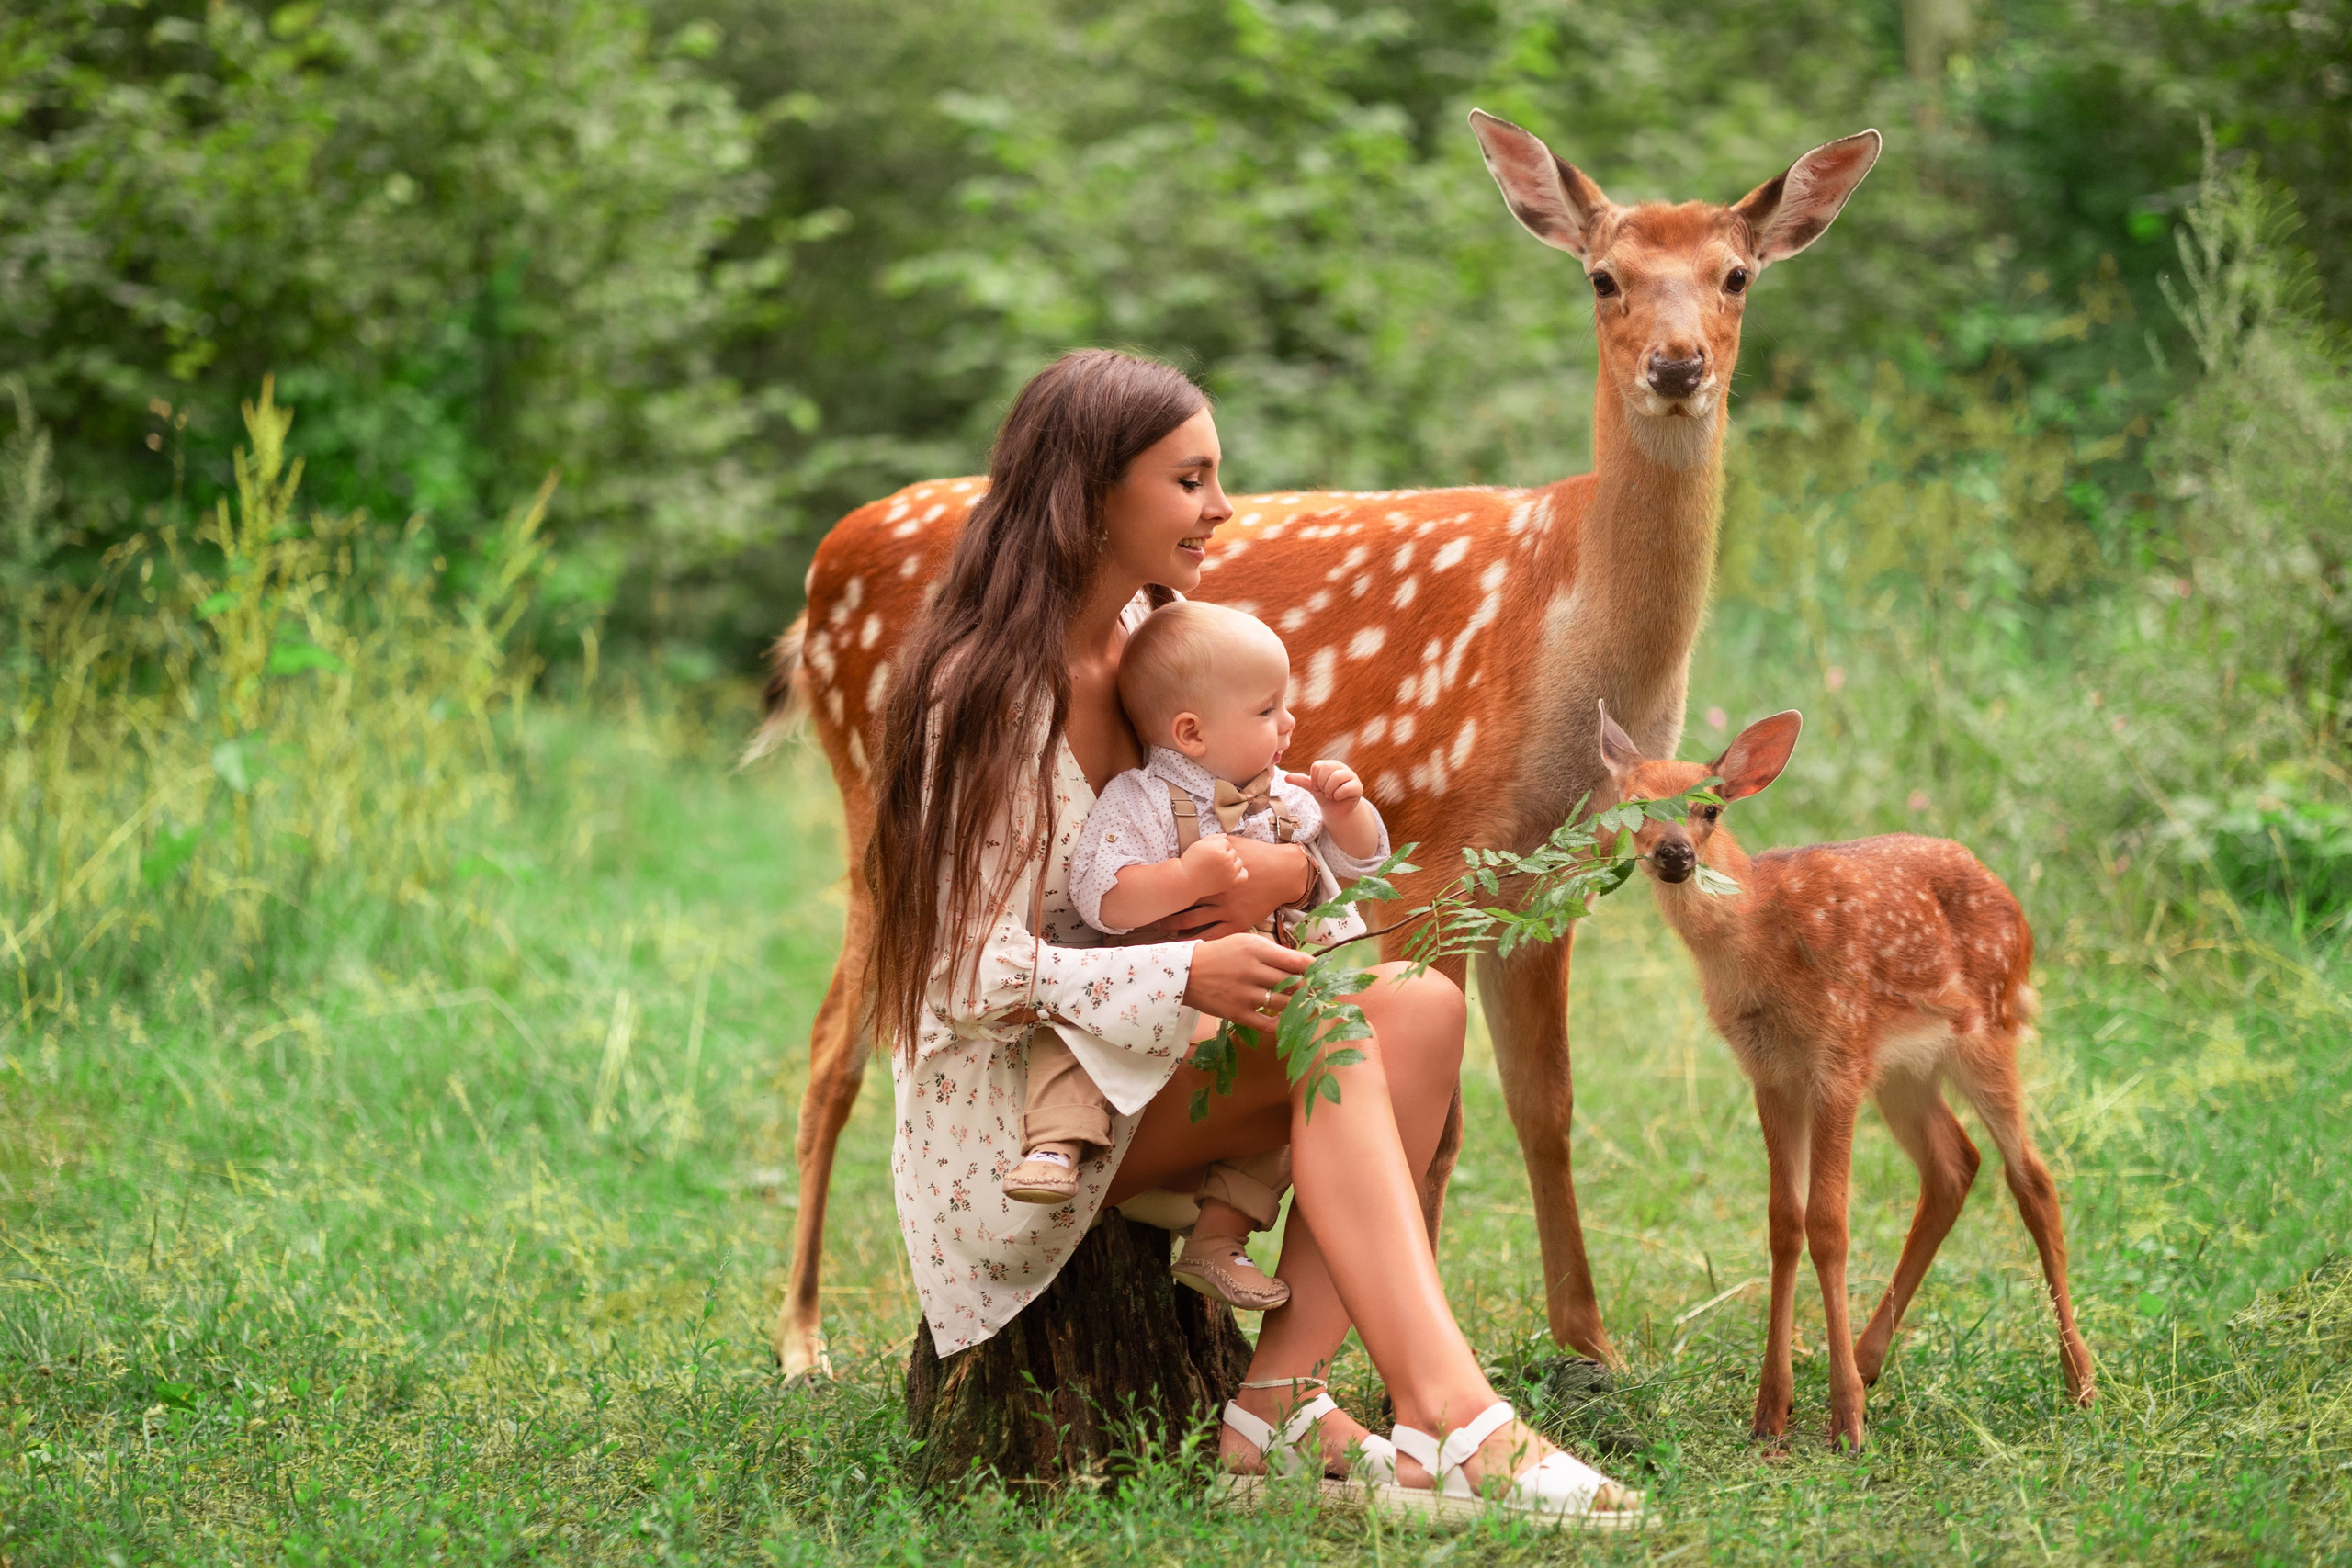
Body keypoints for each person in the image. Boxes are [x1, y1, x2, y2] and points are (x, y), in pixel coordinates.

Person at [866, 347, 1644, 1521]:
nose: (1221, 508)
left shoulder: (1152, 643)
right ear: (1090, 493)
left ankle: (1275, 1407)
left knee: (1420, 1003)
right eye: (1189, 480)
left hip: (1140, 1062)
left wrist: (1294, 862)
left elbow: (1225, 828)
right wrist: (1189, 962)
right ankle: (1455, 1415)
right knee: (1336, 1024)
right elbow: (959, 974)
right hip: (1014, 1127)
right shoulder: (981, 692)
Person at [1003, 599, 1391, 1315]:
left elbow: (1364, 865)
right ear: (1191, 732)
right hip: (1161, 996)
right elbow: (1101, 899)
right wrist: (1184, 878)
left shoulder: (1284, 797)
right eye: (1269, 710)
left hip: (1257, 1000)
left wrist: (1344, 813)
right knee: (1077, 1035)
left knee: (1307, 1084)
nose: (1290, 724)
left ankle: (1220, 1236)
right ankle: (1055, 1146)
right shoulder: (1140, 801)